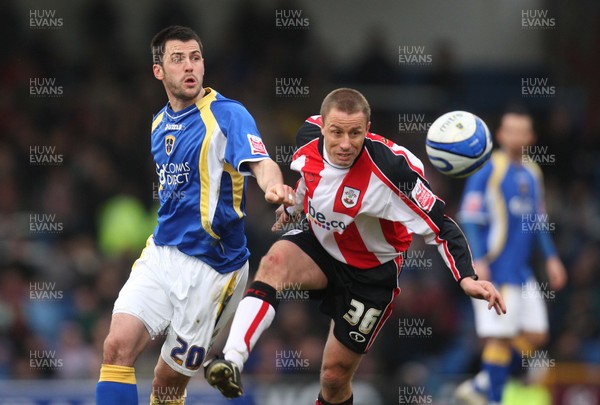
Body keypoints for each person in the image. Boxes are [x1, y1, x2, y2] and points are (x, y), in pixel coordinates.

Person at [204, 88, 506, 404]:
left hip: (371, 275)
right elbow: (310, 178)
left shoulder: (394, 171)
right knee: (273, 264)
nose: (345, 143)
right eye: (336, 132)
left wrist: (466, 277)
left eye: (355, 133)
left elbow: (442, 225)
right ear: (322, 127)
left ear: (368, 127)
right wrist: (294, 208)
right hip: (321, 245)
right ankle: (232, 360)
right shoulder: (306, 136)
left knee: (334, 379)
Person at [95, 25, 295, 404]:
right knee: (116, 346)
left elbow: (262, 161)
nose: (189, 66)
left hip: (213, 270)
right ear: (159, 71)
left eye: (196, 57)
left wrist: (274, 188)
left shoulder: (228, 115)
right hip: (162, 253)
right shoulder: (158, 124)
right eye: (177, 59)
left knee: (165, 385)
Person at [454, 111, 567, 405]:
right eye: (510, 131)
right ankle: (493, 398)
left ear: (531, 138)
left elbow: (539, 221)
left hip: (522, 271)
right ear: (500, 135)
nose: (517, 136)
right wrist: (478, 259)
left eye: (523, 131)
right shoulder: (487, 169)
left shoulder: (532, 171)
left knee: (538, 334)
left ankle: (481, 385)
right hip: (496, 268)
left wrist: (552, 258)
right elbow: (469, 216)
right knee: (499, 339)